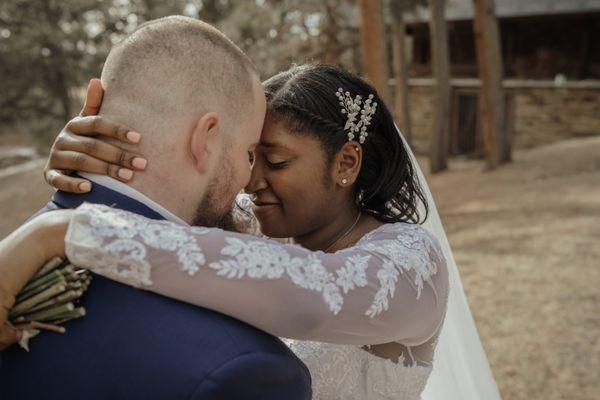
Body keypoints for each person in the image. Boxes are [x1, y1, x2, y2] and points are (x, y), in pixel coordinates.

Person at [0, 16, 312, 400]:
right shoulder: (240, 367)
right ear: (206, 139)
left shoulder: (14, 258)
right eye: (249, 153)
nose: (250, 182)